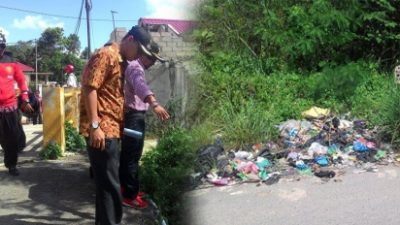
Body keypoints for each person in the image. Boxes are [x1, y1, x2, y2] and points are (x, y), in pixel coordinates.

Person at [79, 25, 153, 225]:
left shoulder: (120, 61)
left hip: (110, 129)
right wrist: (95, 126)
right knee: (109, 186)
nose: (138, 55)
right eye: (138, 50)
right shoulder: (106, 55)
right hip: (102, 130)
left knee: (109, 185)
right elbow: (89, 87)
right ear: (129, 39)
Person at [120, 42, 170, 208]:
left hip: (133, 117)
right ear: (144, 55)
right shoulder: (136, 68)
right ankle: (129, 196)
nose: (153, 63)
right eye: (152, 59)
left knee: (128, 155)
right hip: (134, 118)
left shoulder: (134, 66)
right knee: (133, 156)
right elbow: (140, 86)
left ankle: (127, 189)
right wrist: (154, 104)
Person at [0, 38, 33, 176]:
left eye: (1, 46)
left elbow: (22, 82)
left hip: (9, 109)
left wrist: (25, 99)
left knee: (12, 139)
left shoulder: (11, 62)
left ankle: (11, 165)